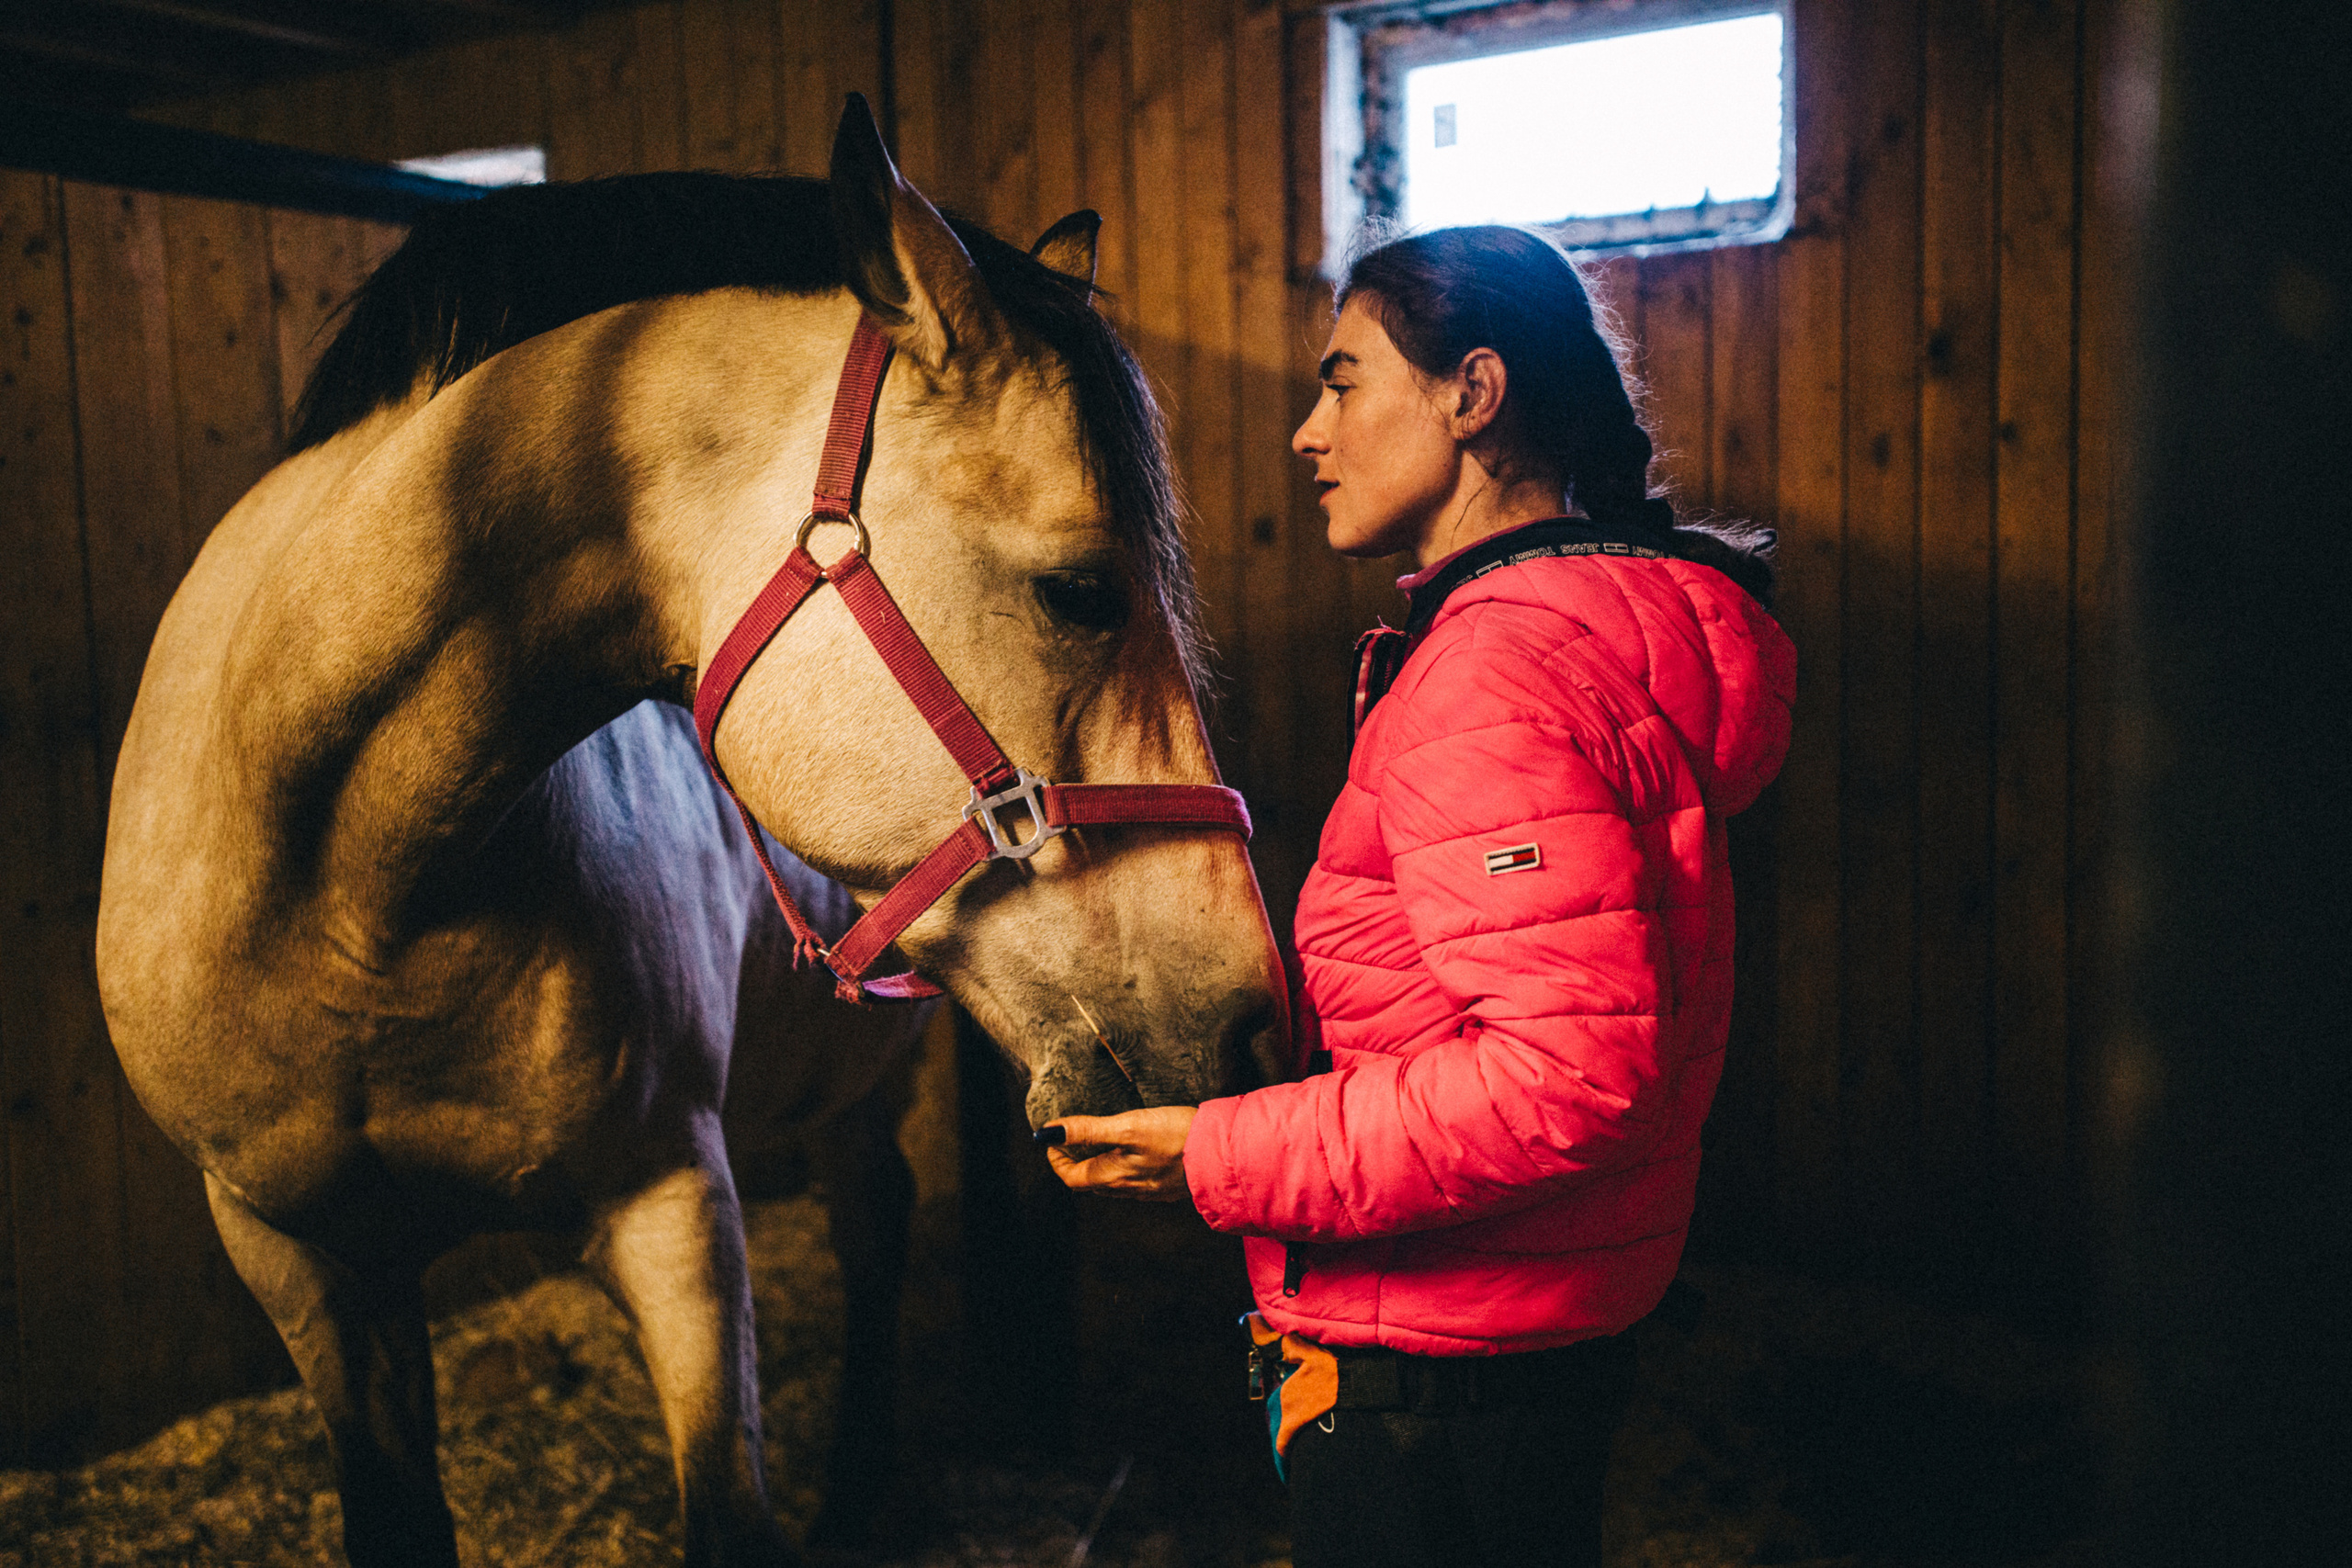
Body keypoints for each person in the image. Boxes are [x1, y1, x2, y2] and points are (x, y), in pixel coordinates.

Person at [1040, 224, 1795, 1568]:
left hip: (1438, 1364)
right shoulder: (1576, 630)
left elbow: (1567, 1074)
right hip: (1534, 1325)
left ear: (1472, 395)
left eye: (1341, 380)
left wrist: (1218, 1155)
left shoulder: (1493, 673)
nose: (1305, 433)